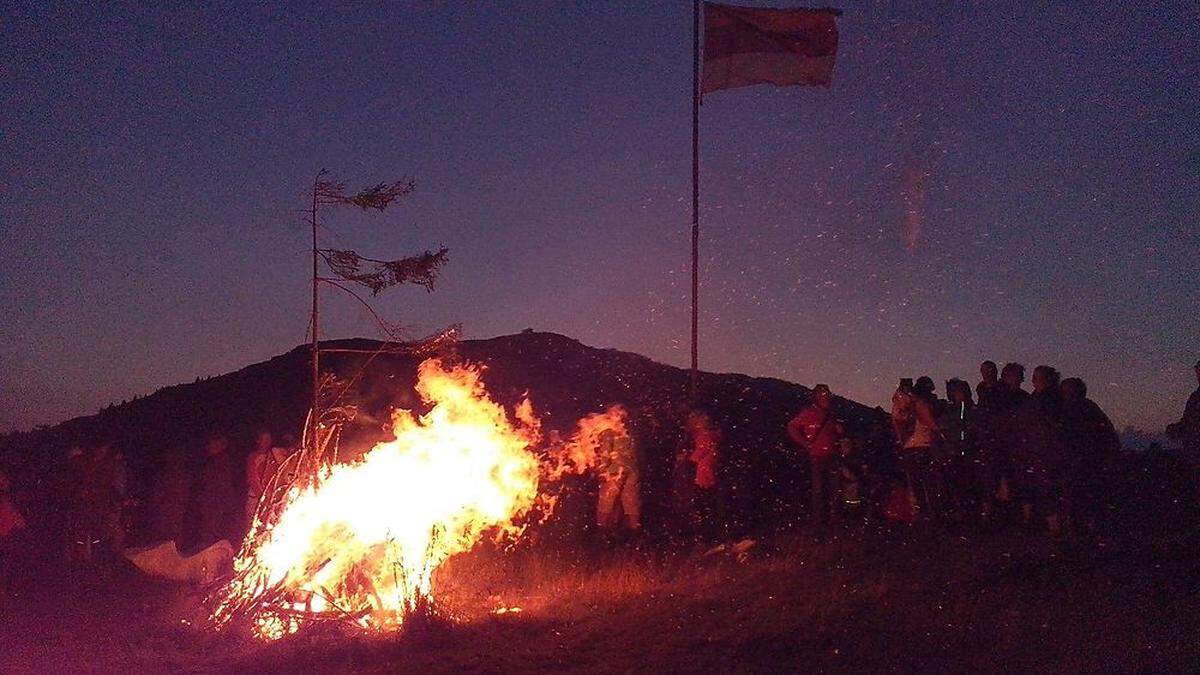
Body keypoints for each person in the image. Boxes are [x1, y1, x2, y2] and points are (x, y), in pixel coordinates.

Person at [1060, 377, 1120, 534]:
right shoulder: (1088, 408)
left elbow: (1106, 434)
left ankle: (1084, 528)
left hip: (1084, 460)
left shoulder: (1082, 409)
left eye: (1066, 390)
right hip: (1079, 460)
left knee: (1082, 496)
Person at [1011, 366, 1067, 534]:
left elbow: (1034, 423)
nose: (1032, 380)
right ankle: (1041, 525)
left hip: (1043, 452)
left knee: (1047, 491)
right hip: (1039, 451)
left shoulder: (1048, 401)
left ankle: (1055, 531)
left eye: (1036, 377)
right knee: (1039, 489)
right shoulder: (1042, 399)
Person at [788, 384, 845, 531]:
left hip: (833, 456)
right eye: (823, 395)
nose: (826, 398)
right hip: (817, 456)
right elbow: (792, 427)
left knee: (835, 489)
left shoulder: (831, 415)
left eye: (827, 395)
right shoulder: (808, 413)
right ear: (817, 397)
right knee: (819, 490)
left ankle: (834, 522)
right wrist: (805, 443)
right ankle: (819, 525)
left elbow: (836, 433)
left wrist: (838, 430)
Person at [892, 380, 942, 518]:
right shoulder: (920, 404)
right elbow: (932, 424)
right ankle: (931, 514)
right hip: (923, 447)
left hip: (909, 448)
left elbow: (896, 424)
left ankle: (920, 513)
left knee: (915, 484)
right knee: (928, 484)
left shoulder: (900, 406)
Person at [594, 406, 641, 540]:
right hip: (632, 470)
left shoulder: (609, 432)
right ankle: (635, 533)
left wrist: (602, 471)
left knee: (606, 501)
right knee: (631, 501)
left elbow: (605, 453)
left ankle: (602, 533)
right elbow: (638, 454)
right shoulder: (631, 431)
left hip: (614, 471)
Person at [938, 378, 980, 519]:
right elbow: (943, 430)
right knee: (956, 487)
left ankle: (968, 514)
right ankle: (959, 514)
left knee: (968, 485)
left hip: (969, 452)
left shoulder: (972, 410)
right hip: (953, 454)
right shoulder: (948, 411)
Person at [681, 410, 723, 543]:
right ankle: (710, 533)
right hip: (709, 471)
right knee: (708, 503)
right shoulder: (711, 435)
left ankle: (708, 536)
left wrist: (686, 459)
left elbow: (701, 451)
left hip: (705, 474)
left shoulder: (704, 436)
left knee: (705, 503)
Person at [194, 433, 237, 550]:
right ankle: (207, 549)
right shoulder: (213, 461)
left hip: (215, 502)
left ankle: (209, 551)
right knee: (208, 528)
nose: (210, 447)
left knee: (211, 530)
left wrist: (224, 503)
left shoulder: (222, 462)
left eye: (214, 444)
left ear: (221, 445)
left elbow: (223, 484)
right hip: (210, 501)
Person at [244, 430, 294, 523]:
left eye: (268, 438)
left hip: (271, 500)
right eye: (264, 439)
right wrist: (263, 498)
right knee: (255, 526)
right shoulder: (253, 457)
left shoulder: (274, 455)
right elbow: (253, 479)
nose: (267, 441)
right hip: (255, 499)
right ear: (258, 440)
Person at [147, 445, 190, 544]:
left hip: (170, 513)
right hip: (168, 513)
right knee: (166, 540)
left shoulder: (173, 475)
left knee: (168, 540)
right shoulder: (166, 475)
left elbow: (184, 496)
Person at [1166, 360, 1200, 478]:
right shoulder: (1194, 398)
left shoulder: (1195, 398)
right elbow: (1187, 422)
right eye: (1197, 370)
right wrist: (1176, 429)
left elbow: (1190, 425)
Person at [0, 469, 28, 601]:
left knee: (6, 562)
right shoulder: (7, 502)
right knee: (6, 562)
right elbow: (20, 522)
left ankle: (4, 589)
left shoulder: (8, 502)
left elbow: (20, 522)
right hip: (5, 537)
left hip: (5, 537)